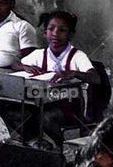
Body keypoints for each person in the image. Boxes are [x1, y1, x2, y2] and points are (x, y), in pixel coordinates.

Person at [14, 11, 101, 145]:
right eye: (51, 29)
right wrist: (24, 67)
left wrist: (74, 73)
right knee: (15, 113)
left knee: (46, 117)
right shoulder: (39, 54)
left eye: (62, 30)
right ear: (45, 32)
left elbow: (95, 78)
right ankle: (37, 143)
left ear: (70, 34)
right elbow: (15, 64)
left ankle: (60, 147)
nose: (55, 33)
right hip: (42, 103)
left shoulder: (77, 56)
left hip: (71, 108)